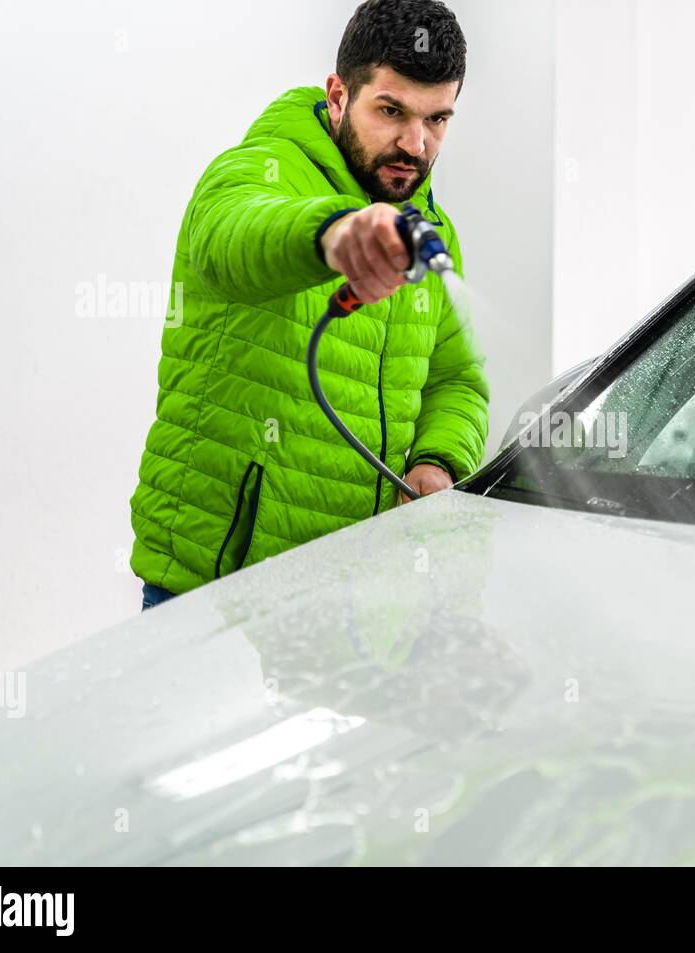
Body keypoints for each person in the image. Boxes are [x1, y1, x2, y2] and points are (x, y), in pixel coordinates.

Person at [133, 0, 487, 612]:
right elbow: (230, 238)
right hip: (217, 592)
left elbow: (457, 379)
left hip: (357, 595)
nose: (415, 143)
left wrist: (438, 461)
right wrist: (332, 233)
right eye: (391, 111)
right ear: (337, 94)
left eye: (438, 119)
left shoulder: (434, 231)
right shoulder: (256, 168)